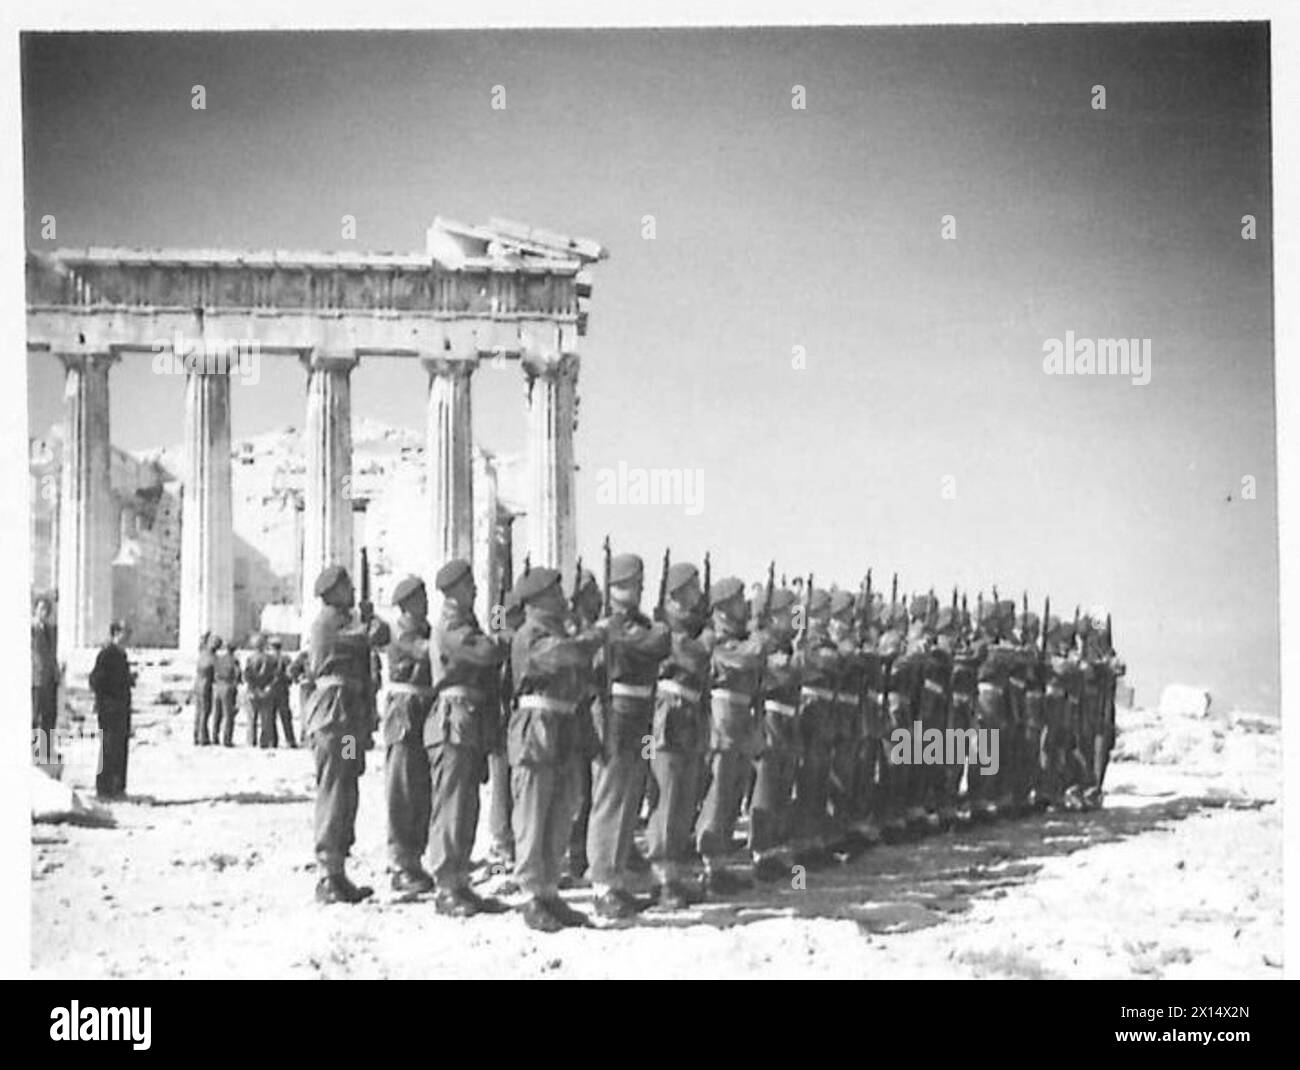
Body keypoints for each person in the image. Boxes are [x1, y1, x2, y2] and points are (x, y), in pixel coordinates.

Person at [508, 567, 601, 932]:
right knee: (534, 811)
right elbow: (562, 655)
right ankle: (533, 894)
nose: (564, 598)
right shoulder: (530, 633)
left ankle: (549, 889)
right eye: (557, 592)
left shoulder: (561, 630)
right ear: (541, 598)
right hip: (537, 726)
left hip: (562, 724)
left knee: (561, 810)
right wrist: (593, 636)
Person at [587, 553, 671, 920]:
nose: (637, 589)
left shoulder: (637, 625)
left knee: (630, 798)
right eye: (630, 584)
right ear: (615, 587)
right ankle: (603, 883)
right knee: (611, 799)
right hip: (617, 715)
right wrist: (656, 631)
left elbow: (658, 643)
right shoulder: (612, 626)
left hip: (640, 714)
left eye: (638, 583)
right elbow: (655, 644)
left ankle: (617, 878)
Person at [427, 560, 509, 916]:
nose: (476, 589)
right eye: (470, 584)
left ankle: (460, 881)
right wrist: (505, 633)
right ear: (455, 589)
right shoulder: (450, 624)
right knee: (452, 806)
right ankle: (446, 885)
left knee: (466, 806)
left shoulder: (465, 622)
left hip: (469, 720)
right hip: (454, 720)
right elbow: (486, 652)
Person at [304, 565, 391, 904]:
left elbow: (379, 635)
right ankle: (328, 872)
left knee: (348, 785)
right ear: (333, 592)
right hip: (335, 719)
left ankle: (339, 869)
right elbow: (377, 636)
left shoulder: (345, 619)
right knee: (335, 789)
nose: (353, 590)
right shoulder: (330, 621)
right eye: (348, 586)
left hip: (350, 722)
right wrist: (368, 615)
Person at [693, 576, 768, 894]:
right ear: (722, 609)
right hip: (722, 717)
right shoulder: (715, 639)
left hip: (739, 716)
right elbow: (746, 658)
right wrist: (757, 633)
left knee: (733, 791)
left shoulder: (736, 637)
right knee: (719, 793)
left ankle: (720, 863)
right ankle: (709, 867)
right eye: (738, 602)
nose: (744, 607)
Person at [645, 561, 711, 906]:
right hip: (668, 716)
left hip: (689, 716)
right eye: (693, 589)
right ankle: (662, 878)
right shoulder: (664, 629)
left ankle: (675, 873)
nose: (699, 596)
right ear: (676, 594)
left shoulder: (689, 627)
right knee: (667, 798)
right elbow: (693, 657)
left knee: (685, 796)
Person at [382, 575, 437, 896]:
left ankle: (414, 857)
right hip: (405, 711)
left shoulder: (425, 629)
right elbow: (430, 653)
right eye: (419, 598)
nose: (426, 602)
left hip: (423, 708)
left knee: (419, 787)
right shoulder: (402, 630)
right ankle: (402, 861)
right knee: (402, 789)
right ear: (406, 604)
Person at [748, 586, 801, 882]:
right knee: (765, 787)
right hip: (769, 715)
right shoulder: (763, 643)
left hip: (787, 717)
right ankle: (760, 852)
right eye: (790, 614)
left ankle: (774, 849)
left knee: (781, 785)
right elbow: (776, 677)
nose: (795, 619)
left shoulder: (786, 645)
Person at [90, 621, 135, 799]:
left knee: (120, 748)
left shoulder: (121, 654)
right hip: (110, 709)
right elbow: (96, 680)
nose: (128, 637)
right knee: (108, 748)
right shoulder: (106, 654)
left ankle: (118, 787)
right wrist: (106, 698)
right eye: (125, 633)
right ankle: (104, 787)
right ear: (116, 633)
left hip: (121, 708)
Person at [31, 596, 60, 767]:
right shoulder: (31, 629)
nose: (44, 613)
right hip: (36, 679)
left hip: (50, 680)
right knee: (35, 717)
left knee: (49, 716)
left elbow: (51, 654)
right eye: (41, 609)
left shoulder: (50, 630)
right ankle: (34, 752)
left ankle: (47, 751)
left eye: (46, 610)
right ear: (35, 610)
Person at [243, 633, 277, 748]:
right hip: (266, 690)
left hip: (253, 690)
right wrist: (268, 687)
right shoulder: (270, 659)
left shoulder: (250, 659)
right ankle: (264, 741)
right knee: (265, 719)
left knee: (251, 718)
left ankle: (251, 740)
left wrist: (252, 688)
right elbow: (274, 676)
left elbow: (247, 675)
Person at [265, 637, 297, 748]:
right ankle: (290, 740)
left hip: (271, 689)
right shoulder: (286, 658)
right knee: (286, 716)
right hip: (283, 689)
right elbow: (290, 674)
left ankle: (272, 741)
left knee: (271, 716)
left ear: (270, 647)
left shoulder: (268, 658)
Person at [211, 637, 241, 747]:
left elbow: (214, 671)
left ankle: (214, 737)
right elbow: (238, 674)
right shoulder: (234, 660)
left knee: (217, 714)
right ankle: (227, 739)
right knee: (229, 715)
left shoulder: (219, 658)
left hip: (218, 686)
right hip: (228, 687)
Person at [192, 631, 216, 745]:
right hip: (206, 685)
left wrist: (206, 635)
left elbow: (201, 643)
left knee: (198, 711)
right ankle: (203, 737)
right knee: (205, 712)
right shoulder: (213, 659)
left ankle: (196, 735)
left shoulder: (202, 653)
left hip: (197, 683)